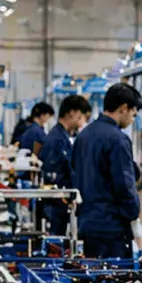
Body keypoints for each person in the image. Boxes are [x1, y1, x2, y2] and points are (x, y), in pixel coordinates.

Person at [71, 83, 142, 260]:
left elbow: (74, 173)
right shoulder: (118, 139)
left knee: (93, 278)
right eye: (134, 114)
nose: (133, 120)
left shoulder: (83, 136)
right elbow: (124, 186)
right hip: (112, 228)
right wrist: (134, 216)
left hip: (87, 224)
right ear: (124, 108)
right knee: (115, 281)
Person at [40, 94, 92, 235]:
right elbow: (51, 176)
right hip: (56, 205)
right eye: (81, 117)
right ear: (72, 113)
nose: (82, 122)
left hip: (61, 204)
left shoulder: (63, 137)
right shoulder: (56, 139)